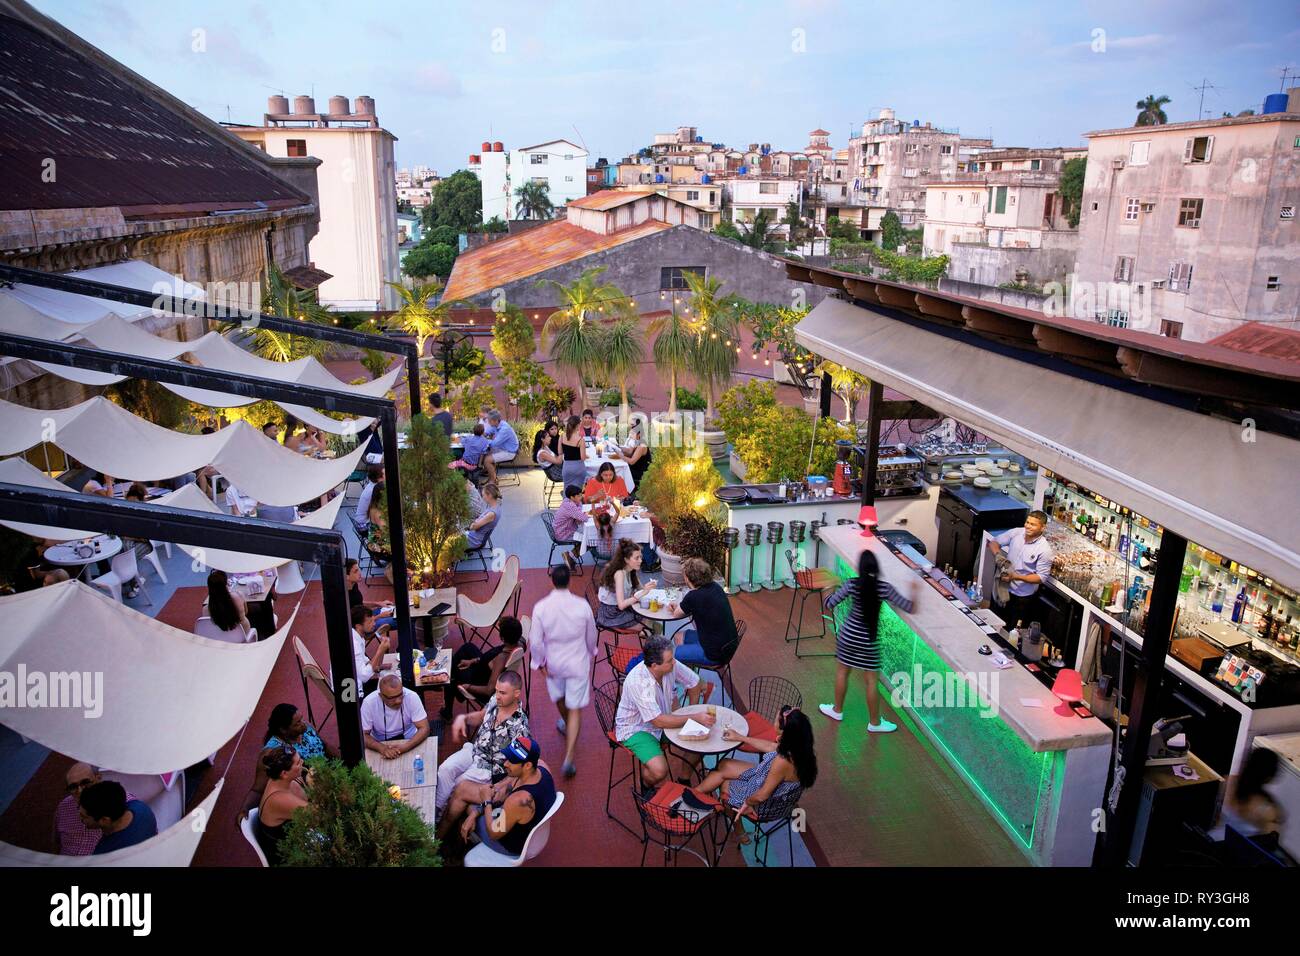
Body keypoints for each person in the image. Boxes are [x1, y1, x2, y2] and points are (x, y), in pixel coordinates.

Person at [818, 548, 920, 733]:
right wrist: (914, 590)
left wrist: (829, 586)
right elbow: (909, 607)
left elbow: (828, 605)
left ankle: (837, 710)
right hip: (869, 641)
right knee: (871, 681)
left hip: (848, 636)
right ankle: (874, 723)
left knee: (842, 672)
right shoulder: (884, 588)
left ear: (860, 568)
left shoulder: (851, 584)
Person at [435, 672, 531, 833]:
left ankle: (440, 826)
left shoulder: (520, 727)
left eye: (503, 692)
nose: (498, 696)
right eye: (497, 690)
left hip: (488, 768)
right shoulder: (495, 700)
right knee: (445, 770)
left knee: (457, 783)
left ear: (516, 694)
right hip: (474, 751)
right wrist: (463, 718)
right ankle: (436, 814)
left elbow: (519, 769)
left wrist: (500, 784)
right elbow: (480, 716)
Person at [614, 636, 713, 788]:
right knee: (659, 771)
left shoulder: (670, 665)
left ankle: (684, 778)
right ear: (655, 665)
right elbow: (658, 721)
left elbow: (695, 683)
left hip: (664, 718)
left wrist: (692, 713)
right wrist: (694, 717)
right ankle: (646, 786)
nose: (674, 662)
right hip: (637, 728)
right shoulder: (639, 682)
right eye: (670, 661)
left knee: (702, 740)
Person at [530, 564, 597, 777]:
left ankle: (567, 725)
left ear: (552, 581)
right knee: (575, 707)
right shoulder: (582, 606)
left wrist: (539, 662)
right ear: (569, 580)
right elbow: (591, 634)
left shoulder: (541, 607)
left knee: (560, 699)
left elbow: (536, 641)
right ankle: (569, 757)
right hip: (577, 662)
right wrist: (590, 650)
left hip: (555, 664)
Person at [459, 735, 557, 858]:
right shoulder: (542, 766)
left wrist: (486, 802)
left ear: (527, 766)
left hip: (510, 845)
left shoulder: (519, 800)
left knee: (468, 807)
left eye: (512, 761)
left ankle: (464, 845)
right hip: (528, 827)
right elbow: (504, 791)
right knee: (474, 811)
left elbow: (493, 833)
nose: (505, 764)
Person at [444, 615, 526, 721]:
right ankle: (453, 689)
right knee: (468, 647)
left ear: (503, 637)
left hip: (479, 681)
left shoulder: (501, 658)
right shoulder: (520, 644)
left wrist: (467, 687)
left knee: (451, 674)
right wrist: (472, 661)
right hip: (483, 667)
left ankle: (448, 711)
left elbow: (489, 690)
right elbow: (487, 659)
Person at [986, 510, 1053, 632]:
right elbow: (994, 542)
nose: (1028, 526)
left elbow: (1041, 577)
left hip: (1022, 598)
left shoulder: (1044, 550)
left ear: (1043, 528)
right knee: (993, 623)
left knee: (1012, 632)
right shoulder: (1017, 532)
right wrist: (998, 555)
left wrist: (1015, 577)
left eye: (1033, 524)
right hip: (1002, 589)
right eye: (1027, 522)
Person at [668, 558, 738, 666]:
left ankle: (688, 675)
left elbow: (677, 614)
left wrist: (676, 607)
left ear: (688, 578)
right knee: (678, 636)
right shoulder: (715, 587)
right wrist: (683, 606)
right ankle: (688, 671)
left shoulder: (693, 596)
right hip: (728, 645)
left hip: (713, 653)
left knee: (670, 656)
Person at [55, 764, 135, 855]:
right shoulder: (64, 806)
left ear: (98, 778)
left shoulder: (121, 802)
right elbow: (57, 840)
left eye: (85, 783)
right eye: (73, 787)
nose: (80, 791)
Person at [1210, 748, 1286, 840]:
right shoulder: (1268, 811)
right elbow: (1267, 844)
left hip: (1210, 840)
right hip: (1233, 851)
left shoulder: (1228, 782)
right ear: (1269, 778)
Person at [255, 746, 308, 866]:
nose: (303, 762)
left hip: (296, 842)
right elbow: (320, 815)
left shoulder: (278, 780)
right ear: (284, 773)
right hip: (288, 858)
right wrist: (315, 786)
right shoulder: (279, 799)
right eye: (298, 762)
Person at [362, 674, 432, 758]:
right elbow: (363, 735)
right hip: (379, 742)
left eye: (400, 695)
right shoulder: (369, 703)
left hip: (409, 739)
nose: (398, 701)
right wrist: (382, 748)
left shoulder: (412, 696)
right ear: (381, 696)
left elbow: (425, 728)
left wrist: (405, 747)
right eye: (392, 698)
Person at [79, 781, 157, 854]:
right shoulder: (141, 808)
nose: (80, 818)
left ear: (104, 820)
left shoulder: (104, 853)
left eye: (84, 817)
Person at [596, 538, 655, 631]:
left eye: (641, 557)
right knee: (650, 622)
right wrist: (643, 592)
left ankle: (649, 635)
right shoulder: (619, 574)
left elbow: (641, 589)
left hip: (619, 609)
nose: (640, 561)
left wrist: (647, 587)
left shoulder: (631, 570)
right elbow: (621, 605)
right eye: (637, 558)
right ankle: (648, 634)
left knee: (650, 613)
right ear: (626, 560)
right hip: (611, 614)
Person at [346, 604, 391, 697]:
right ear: (358, 626)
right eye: (370, 622)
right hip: (350, 694)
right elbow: (364, 676)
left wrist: (379, 667)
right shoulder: (353, 644)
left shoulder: (357, 636)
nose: (374, 624)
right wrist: (380, 650)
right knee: (389, 693)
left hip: (354, 683)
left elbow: (367, 662)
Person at [262, 703, 334, 761]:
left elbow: (325, 745)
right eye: (298, 723)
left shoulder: (307, 728)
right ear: (283, 730)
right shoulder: (271, 751)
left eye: (302, 718)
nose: (304, 724)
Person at [551, 483, 587, 572]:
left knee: (585, 537)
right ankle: (570, 556)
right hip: (563, 533)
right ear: (572, 497)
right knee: (588, 540)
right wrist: (587, 514)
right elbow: (584, 518)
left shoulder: (567, 501)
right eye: (578, 496)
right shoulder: (570, 506)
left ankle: (570, 557)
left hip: (561, 530)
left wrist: (580, 510)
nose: (581, 497)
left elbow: (579, 511)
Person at [207, 569, 250, 637]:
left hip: (221, 638)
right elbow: (246, 612)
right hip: (242, 636)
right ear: (226, 584)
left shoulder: (206, 609)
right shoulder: (239, 596)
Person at [483, 410, 519, 482]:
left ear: (495, 420)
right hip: (502, 448)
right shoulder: (496, 425)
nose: (488, 422)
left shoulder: (504, 429)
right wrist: (480, 435)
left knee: (487, 460)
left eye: (489, 421)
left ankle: (492, 481)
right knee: (485, 454)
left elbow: (494, 443)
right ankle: (492, 477)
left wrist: (484, 441)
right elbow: (486, 432)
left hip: (509, 452)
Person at [465, 483, 501, 551]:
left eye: (483, 495)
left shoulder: (491, 514)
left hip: (475, 540)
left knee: (449, 539)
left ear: (489, 495)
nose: (482, 497)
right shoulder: (496, 506)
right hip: (475, 535)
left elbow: (474, 527)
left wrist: (473, 524)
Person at [559, 414, 586, 491]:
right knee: (577, 492)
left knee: (567, 490)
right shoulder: (580, 440)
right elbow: (583, 458)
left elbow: (560, 452)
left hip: (567, 466)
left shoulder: (562, 437)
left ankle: (566, 503)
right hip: (578, 467)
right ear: (578, 425)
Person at [621, 420, 652, 487]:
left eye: (632, 434)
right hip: (635, 468)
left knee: (620, 471)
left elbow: (632, 461)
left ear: (639, 435)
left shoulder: (642, 445)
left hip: (640, 473)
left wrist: (620, 456)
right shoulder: (636, 442)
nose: (630, 435)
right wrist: (618, 448)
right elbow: (629, 452)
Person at [354, 463, 384, 531]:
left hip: (363, 518)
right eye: (384, 475)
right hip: (363, 524)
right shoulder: (375, 490)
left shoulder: (372, 485)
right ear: (378, 478)